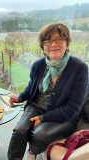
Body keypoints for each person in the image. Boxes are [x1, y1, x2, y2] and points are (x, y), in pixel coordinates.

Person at [7, 23, 89, 160]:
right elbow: (31, 89)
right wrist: (19, 98)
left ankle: (32, 152)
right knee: (19, 132)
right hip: (36, 107)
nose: (53, 44)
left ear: (67, 43)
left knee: (39, 135)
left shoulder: (79, 68)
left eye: (59, 39)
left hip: (64, 115)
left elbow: (73, 108)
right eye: (48, 41)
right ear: (43, 46)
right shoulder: (38, 65)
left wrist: (43, 118)